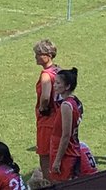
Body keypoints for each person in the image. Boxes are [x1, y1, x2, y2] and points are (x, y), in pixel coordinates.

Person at [48, 68, 84, 183]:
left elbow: (66, 135)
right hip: (72, 149)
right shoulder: (75, 101)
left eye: (58, 83)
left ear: (67, 86)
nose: (55, 86)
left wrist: (58, 160)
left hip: (66, 154)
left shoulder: (66, 106)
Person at [33, 40, 60, 175]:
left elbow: (45, 96)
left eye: (38, 54)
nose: (35, 56)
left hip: (47, 120)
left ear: (47, 55)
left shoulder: (45, 75)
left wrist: (43, 109)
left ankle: (48, 181)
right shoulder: (58, 70)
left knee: (44, 154)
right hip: (58, 116)